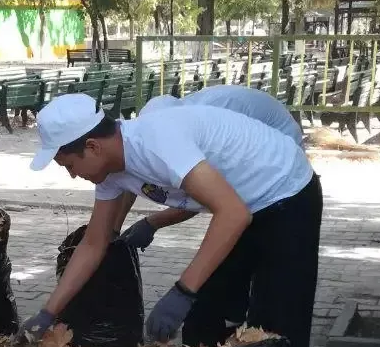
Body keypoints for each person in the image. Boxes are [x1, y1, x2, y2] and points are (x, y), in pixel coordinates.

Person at [17, 93, 323, 347]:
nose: (71, 174)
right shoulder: (111, 171)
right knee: (204, 325)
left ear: (92, 146)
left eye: (69, 164)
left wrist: (182, 291)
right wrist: (48, 313)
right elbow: (94, 243)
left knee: (278, 333)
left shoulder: (157, 143)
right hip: (240, 205)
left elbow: (231, 213)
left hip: (286, 195)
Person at [117, 84, 304, 250]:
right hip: (259, 145)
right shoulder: (171, 121)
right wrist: (113, 232)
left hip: (281, 160)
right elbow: (133, 173)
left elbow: (210, 198)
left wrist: (152, 223)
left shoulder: (195, 134)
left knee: (252, 239)